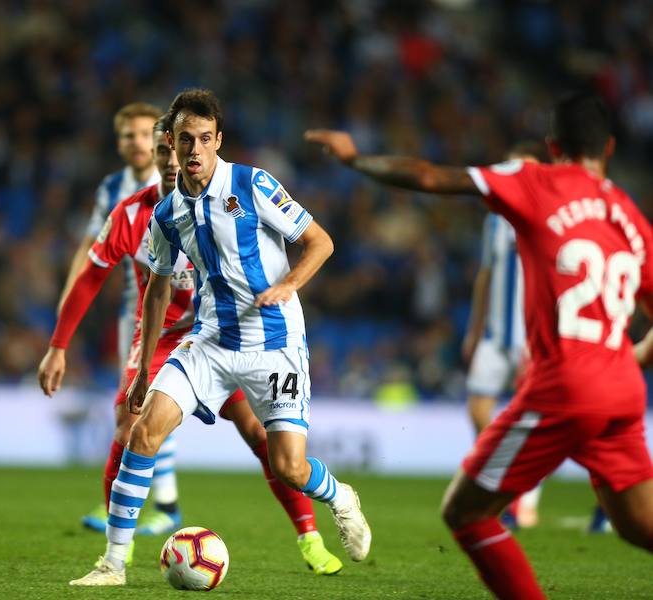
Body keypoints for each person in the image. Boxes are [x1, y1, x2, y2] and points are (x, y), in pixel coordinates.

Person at [306, 92, 653, 600]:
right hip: (623, 391)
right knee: (638, 527)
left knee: (465, 514)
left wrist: (356, 159)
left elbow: (429, 177)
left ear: (553, 146)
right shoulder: (628, 216)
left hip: (565, 387)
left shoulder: (534, 179)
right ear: (610, 147)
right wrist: (632, 357)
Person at [69, 88, 371, 587]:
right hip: (210, 341)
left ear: (218, 141)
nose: (194, 150)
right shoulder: (167, 214)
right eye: (184, 139)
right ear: (169, 143)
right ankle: (112, 565)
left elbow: (321, 241)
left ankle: (340, 497)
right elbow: (157, 290)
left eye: (204, 139)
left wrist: (287, 285)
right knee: (143, 432)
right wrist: (143, 370)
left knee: (290, 467)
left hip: (275, 344)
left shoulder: (253, 185)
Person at [57, 102, 180, 535]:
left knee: (152, 405)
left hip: (184, 311)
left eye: (147, 134)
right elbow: (91, 249)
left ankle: (162, 501)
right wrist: (68, 301)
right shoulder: (113, 189)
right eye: (129, 135)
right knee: (134, 407)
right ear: (119, 141)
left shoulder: (175, 178)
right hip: (136, 307)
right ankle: (154, 504)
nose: (139, 143)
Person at [462, 143, 543, 529]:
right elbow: (486, 274)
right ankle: (502, 487)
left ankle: (523, 495)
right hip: (495, 335)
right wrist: (474, 330)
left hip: (530, 338)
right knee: (478, 411)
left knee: (529, 419)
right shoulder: (494, 220)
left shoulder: (547, 217)